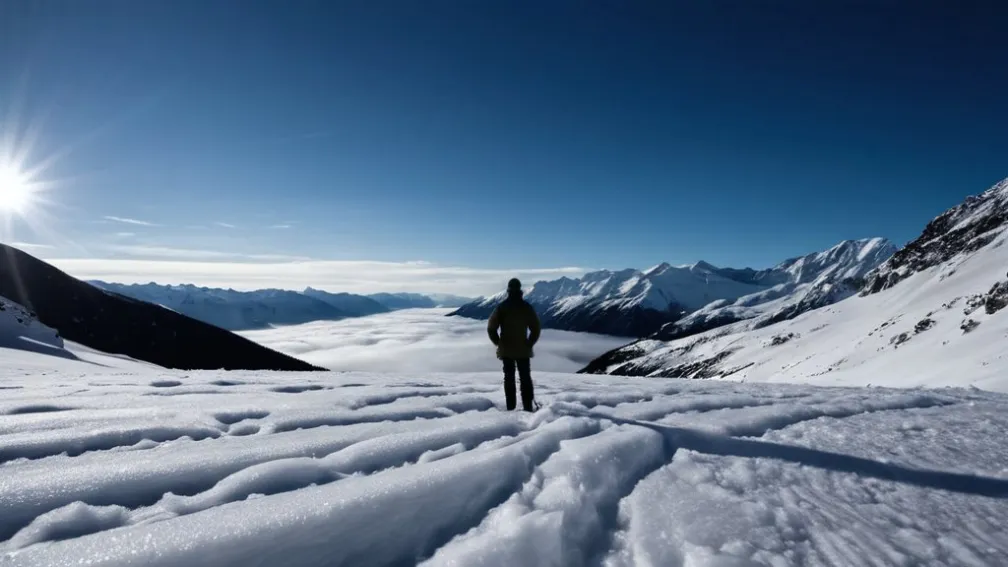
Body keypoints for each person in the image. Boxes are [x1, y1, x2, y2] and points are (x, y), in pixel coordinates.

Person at [487, 278, 541, 411]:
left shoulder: (501, 307)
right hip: (523, 349)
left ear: (508, 290)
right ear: (520, 290)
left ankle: (510, 408)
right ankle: (528, 407)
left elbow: (491, 328)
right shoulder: (526, 307)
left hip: (507, 349)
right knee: (525, 378)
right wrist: (529, 343)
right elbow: (536, 328)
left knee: (509, 379)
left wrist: (498, 343)